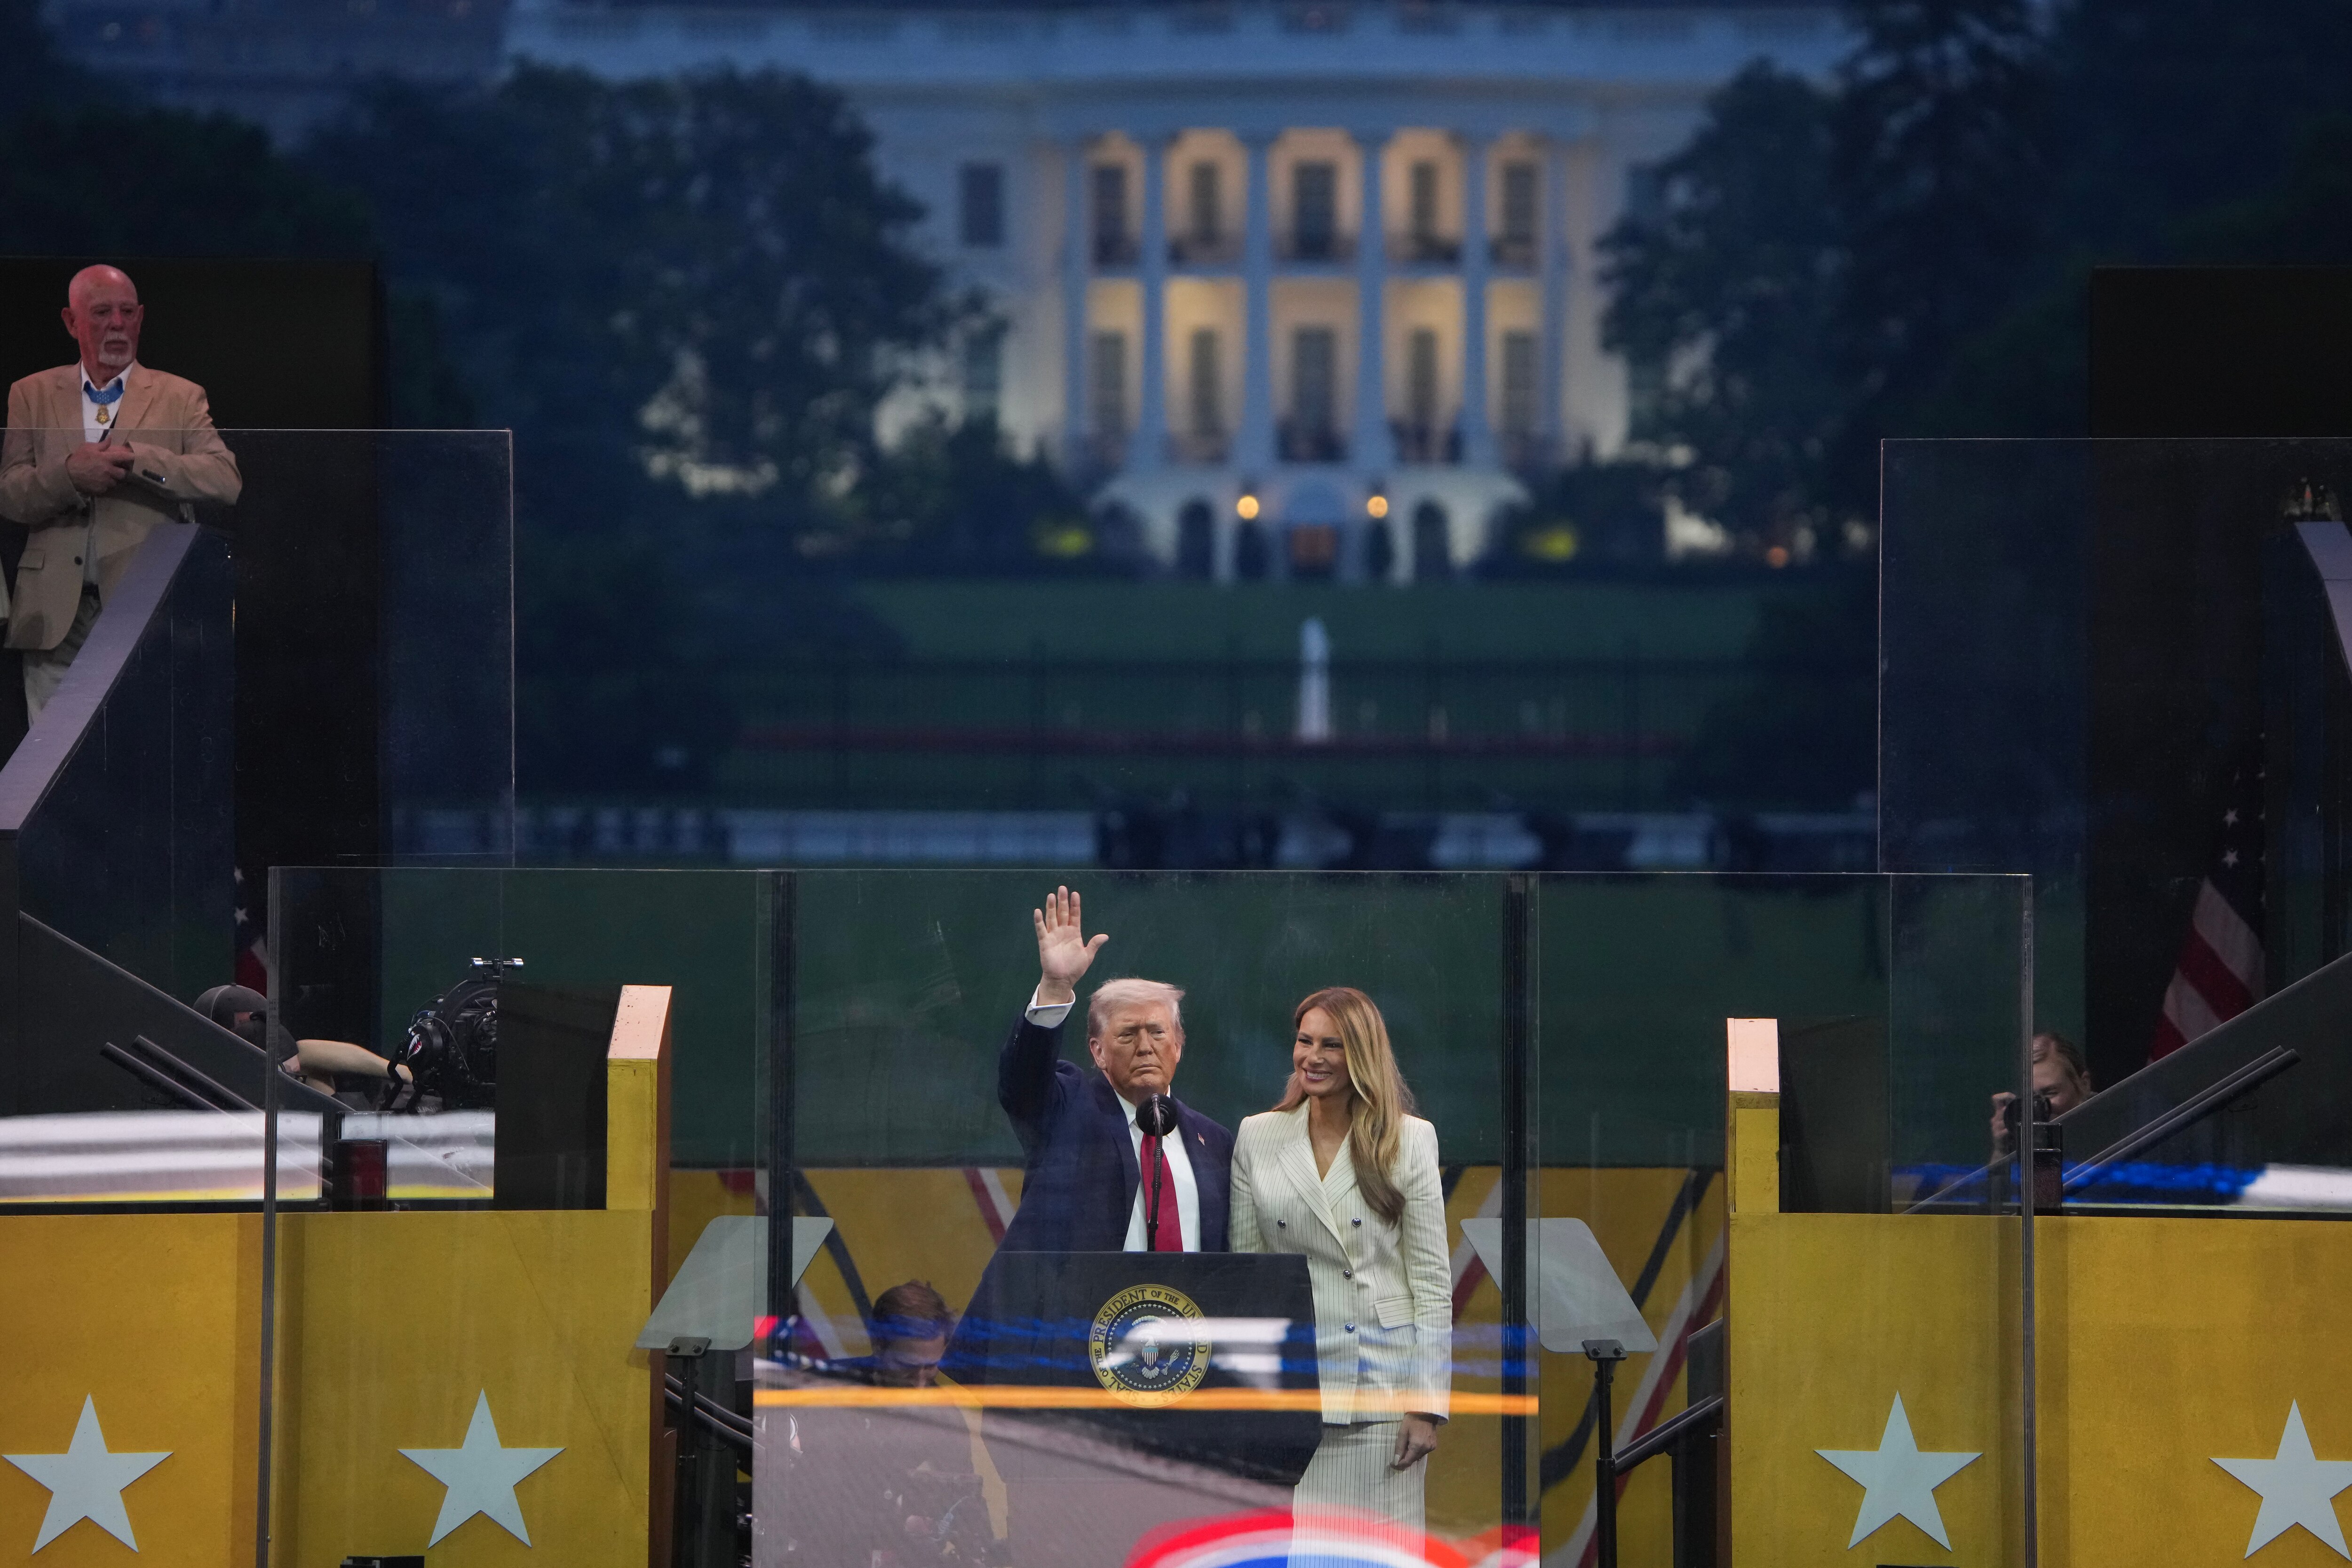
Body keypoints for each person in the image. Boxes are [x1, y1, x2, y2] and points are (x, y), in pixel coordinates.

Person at [1229, 986, 1450, 1553]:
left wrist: (1425, 1405)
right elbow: (1249, 1280)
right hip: (1292, 1399)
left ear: (1362, 1056)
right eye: (1304, 1042)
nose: (1313, 1057)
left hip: (1380, 1399)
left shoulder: (1409, 1139)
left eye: (1332, 1045)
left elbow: (1429, 1284)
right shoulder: (1258, 1135)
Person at [0, 265, 241, 716]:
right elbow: (10, 494)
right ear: (72, 322)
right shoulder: (30, 393)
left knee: (141, 754)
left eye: (127, 312)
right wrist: (69, 476)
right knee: (54, 767)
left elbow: (225, 480)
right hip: (54, 615)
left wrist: (139, 460)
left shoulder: (180, 396)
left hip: (143, 606)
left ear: (141, 317)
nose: (117, 324)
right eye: (102, 313)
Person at [993, 885, 1233, 1254]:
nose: (1145, 1046)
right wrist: (1055, 988)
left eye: (1157, 1032)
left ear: (1179, 1046)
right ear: (1098, 1051)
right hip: (1081, 1312)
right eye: (1127, 1035)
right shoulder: (1067, 1111)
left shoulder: (1214, 1141)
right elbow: (1023, 1086)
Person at [1989, 1029, 2095, 1157]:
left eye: (2050, 1093)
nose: (2040, 1106)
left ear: (2084, 1085)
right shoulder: (2028, 1135)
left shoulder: (2115, 1125)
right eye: (2031, 1097)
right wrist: (2002, 1150)